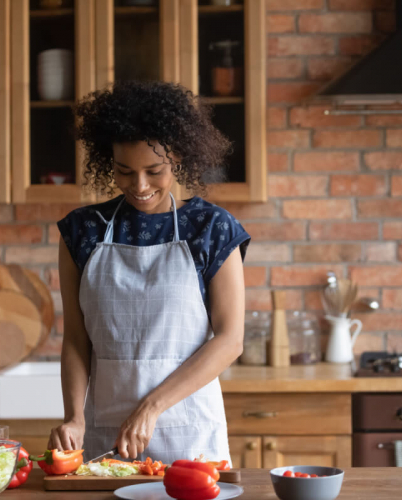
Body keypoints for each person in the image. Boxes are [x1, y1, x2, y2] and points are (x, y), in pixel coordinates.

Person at [49, 80, 251, 465]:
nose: (138, 186)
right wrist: (73, 417)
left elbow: (230, 340)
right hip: (108, 435)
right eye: (124, 171)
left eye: (154, 171)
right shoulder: (82, 231)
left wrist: (151, 407)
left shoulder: (212, 228)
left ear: (180, 160)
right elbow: (77, 338)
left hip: (190, 436)